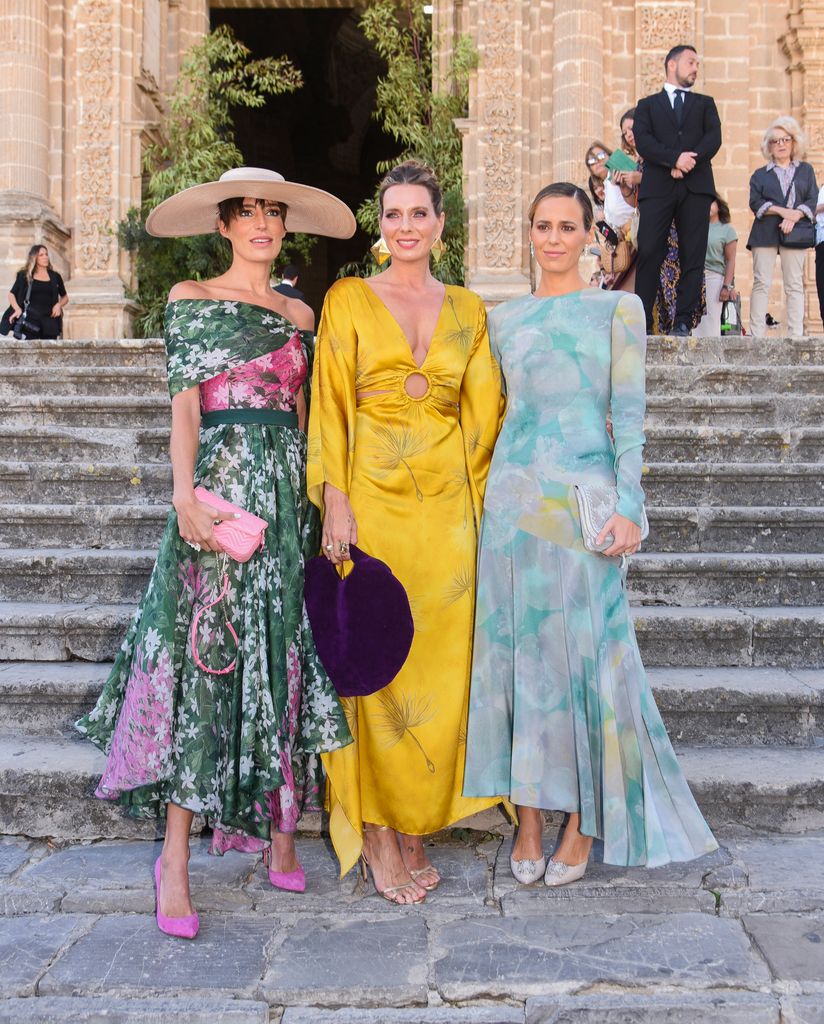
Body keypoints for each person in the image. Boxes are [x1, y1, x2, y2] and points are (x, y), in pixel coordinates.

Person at [76, 168, 356, 938]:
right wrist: (183, 495)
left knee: (281, 651)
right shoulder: (191, 301)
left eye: (273, 211)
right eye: (248, 213)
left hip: (283, 498)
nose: (262, 223)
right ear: (224, 226)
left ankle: (280, 832)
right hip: (219, 496)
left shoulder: (301, 311)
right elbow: (185, 415)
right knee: (210, 656)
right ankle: (174, 859)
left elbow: (304, 420)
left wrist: (324, 497)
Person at [463, 182, 718, 885]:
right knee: (522, 659)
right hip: (513, 505)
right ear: (530, 232)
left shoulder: (619, 310)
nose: (552, 238)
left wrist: (630, 505)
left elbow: (629, 417)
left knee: (590, 664)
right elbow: (492, 417)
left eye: (567, 226)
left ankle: (584, 824)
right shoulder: (504, 319)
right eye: (541, 225)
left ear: (589, 234)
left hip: (586, 504)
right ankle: (532, 819)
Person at [307, 159, 505, 905]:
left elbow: (486, 420)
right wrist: (334, 500)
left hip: (449, 515)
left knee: (440, 674)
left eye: (420, 213)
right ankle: (381, 832)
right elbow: (328, 404)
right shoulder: (348, 299)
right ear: (381, 226)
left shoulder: (469, 310)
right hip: (374, 507)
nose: (408, 226)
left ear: (441, 225)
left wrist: (491, 514)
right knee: (375, 666)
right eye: (395, 215)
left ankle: (419, 823)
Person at [633, 44, 722, 335]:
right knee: (648, 249)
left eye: (698, 63)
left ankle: (683, 321)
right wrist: (673, 159)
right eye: (691, 62)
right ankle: (642, 319)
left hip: (696, 188)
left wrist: (687, 162)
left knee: (693, 254)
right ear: (672, 65)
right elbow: (644, 141)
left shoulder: (706, 103)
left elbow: (714, 138)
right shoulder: (647, 105)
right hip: (658, 187)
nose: (696, 67)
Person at [747, 116, 818, 338]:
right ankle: (756, 334)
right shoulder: (760, 174)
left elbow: (812, 199)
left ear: (793, 142)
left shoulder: (805, 170)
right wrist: (781, 211)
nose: (781, 144)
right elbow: (755, 202)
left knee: (794, 284)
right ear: (768, 146)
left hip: (795, 232)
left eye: (785, 139)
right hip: (764, 233)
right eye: (775, 141)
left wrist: (795, 215)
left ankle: (795, 335)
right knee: (761, 283)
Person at [693, 194, 738, 337]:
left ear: (719, 205)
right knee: (695, 323)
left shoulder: (727, 230)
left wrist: (728, 286)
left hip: (714, 278)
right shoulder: (696, 226)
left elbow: (730, 260)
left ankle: (710, 358)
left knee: (711, 321)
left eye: (711, 203)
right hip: (695, 277)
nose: (707, 206)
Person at [3, 245, 68, 338]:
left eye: (46, 254)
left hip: (50, 323)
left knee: (49, 352)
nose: (45, 257)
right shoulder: (25, 275)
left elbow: (65, 297)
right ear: (34, 258)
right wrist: (17, 309)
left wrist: (59, 305)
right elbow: (11, 294)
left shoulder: (55, 276)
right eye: (41, 255)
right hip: (30, 323)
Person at [585, 141, 611, 218]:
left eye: (600, 156)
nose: (597, 162)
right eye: (592, 161)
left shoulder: (622, 168)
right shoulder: (607, 185)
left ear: (608, 155)